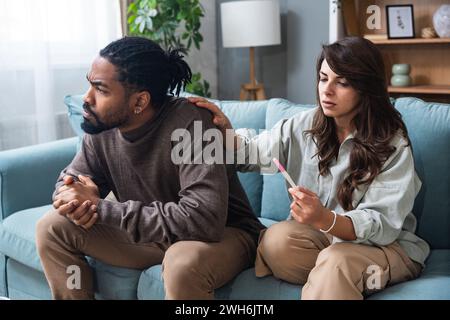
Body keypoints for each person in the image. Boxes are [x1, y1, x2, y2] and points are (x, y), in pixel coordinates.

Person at [189, 36, 430, 300]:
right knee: (275, 241)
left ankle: (336, 275)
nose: (326, 90)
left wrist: (324, 219)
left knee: (338, 261)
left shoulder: (392, 143)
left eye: (343, 83)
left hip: (385, 248)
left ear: (366, 88)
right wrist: (226, 133)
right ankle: (332, 279)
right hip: (324, 243)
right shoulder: (303, 125)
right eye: (323, 78)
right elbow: (254, 153)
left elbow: (382, 225)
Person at [35, 36, 264, 300]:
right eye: (90, 84)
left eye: (101, 89)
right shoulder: (102, 129)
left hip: (223, 235)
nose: (86, 99)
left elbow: (204, 221)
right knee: (52, 227)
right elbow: (71, 181)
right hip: (155, 233)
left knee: (181, 262)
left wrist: (100, 207)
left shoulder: (192, 123)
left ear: (139, 102)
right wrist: (73, 197)